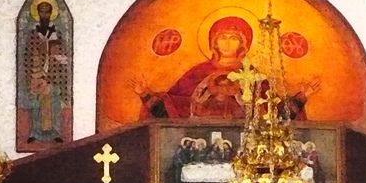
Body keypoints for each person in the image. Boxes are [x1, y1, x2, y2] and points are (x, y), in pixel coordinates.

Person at [129, 16, 317, 121]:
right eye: (223, 37)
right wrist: (145, 94)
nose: (228, 43)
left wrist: (302, 96)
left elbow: (274, 115)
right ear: (214, 42)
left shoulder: (254, 76)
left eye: (234, 38)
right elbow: (173, 109)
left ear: (243, 43)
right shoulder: (197, 74)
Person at [23, 0, 69, 145]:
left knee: (53, 103)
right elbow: (27, 56)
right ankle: (35, 132)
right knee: (37, 104)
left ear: (50, 14)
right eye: (41, 12)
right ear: (38, 14)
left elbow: (63, 55)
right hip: (36, 74)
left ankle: (55, 132)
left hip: (53, 75)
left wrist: (53, 53)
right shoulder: (33, 34)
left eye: (47, 12)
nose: (44, 15)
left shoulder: (57, 33)